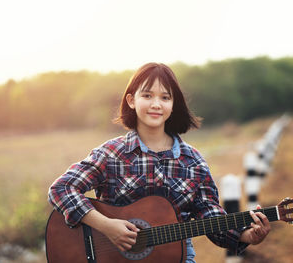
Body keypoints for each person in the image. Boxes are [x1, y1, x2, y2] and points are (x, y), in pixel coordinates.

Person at [48, 62, 270, 262]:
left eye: (165, 97)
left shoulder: (192, 161)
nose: (156, 104)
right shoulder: (111, 154)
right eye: (147, 96)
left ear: (173, 105)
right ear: (131, 100)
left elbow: (210, 215)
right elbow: (61, 189)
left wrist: (246, 234)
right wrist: (106, 226)